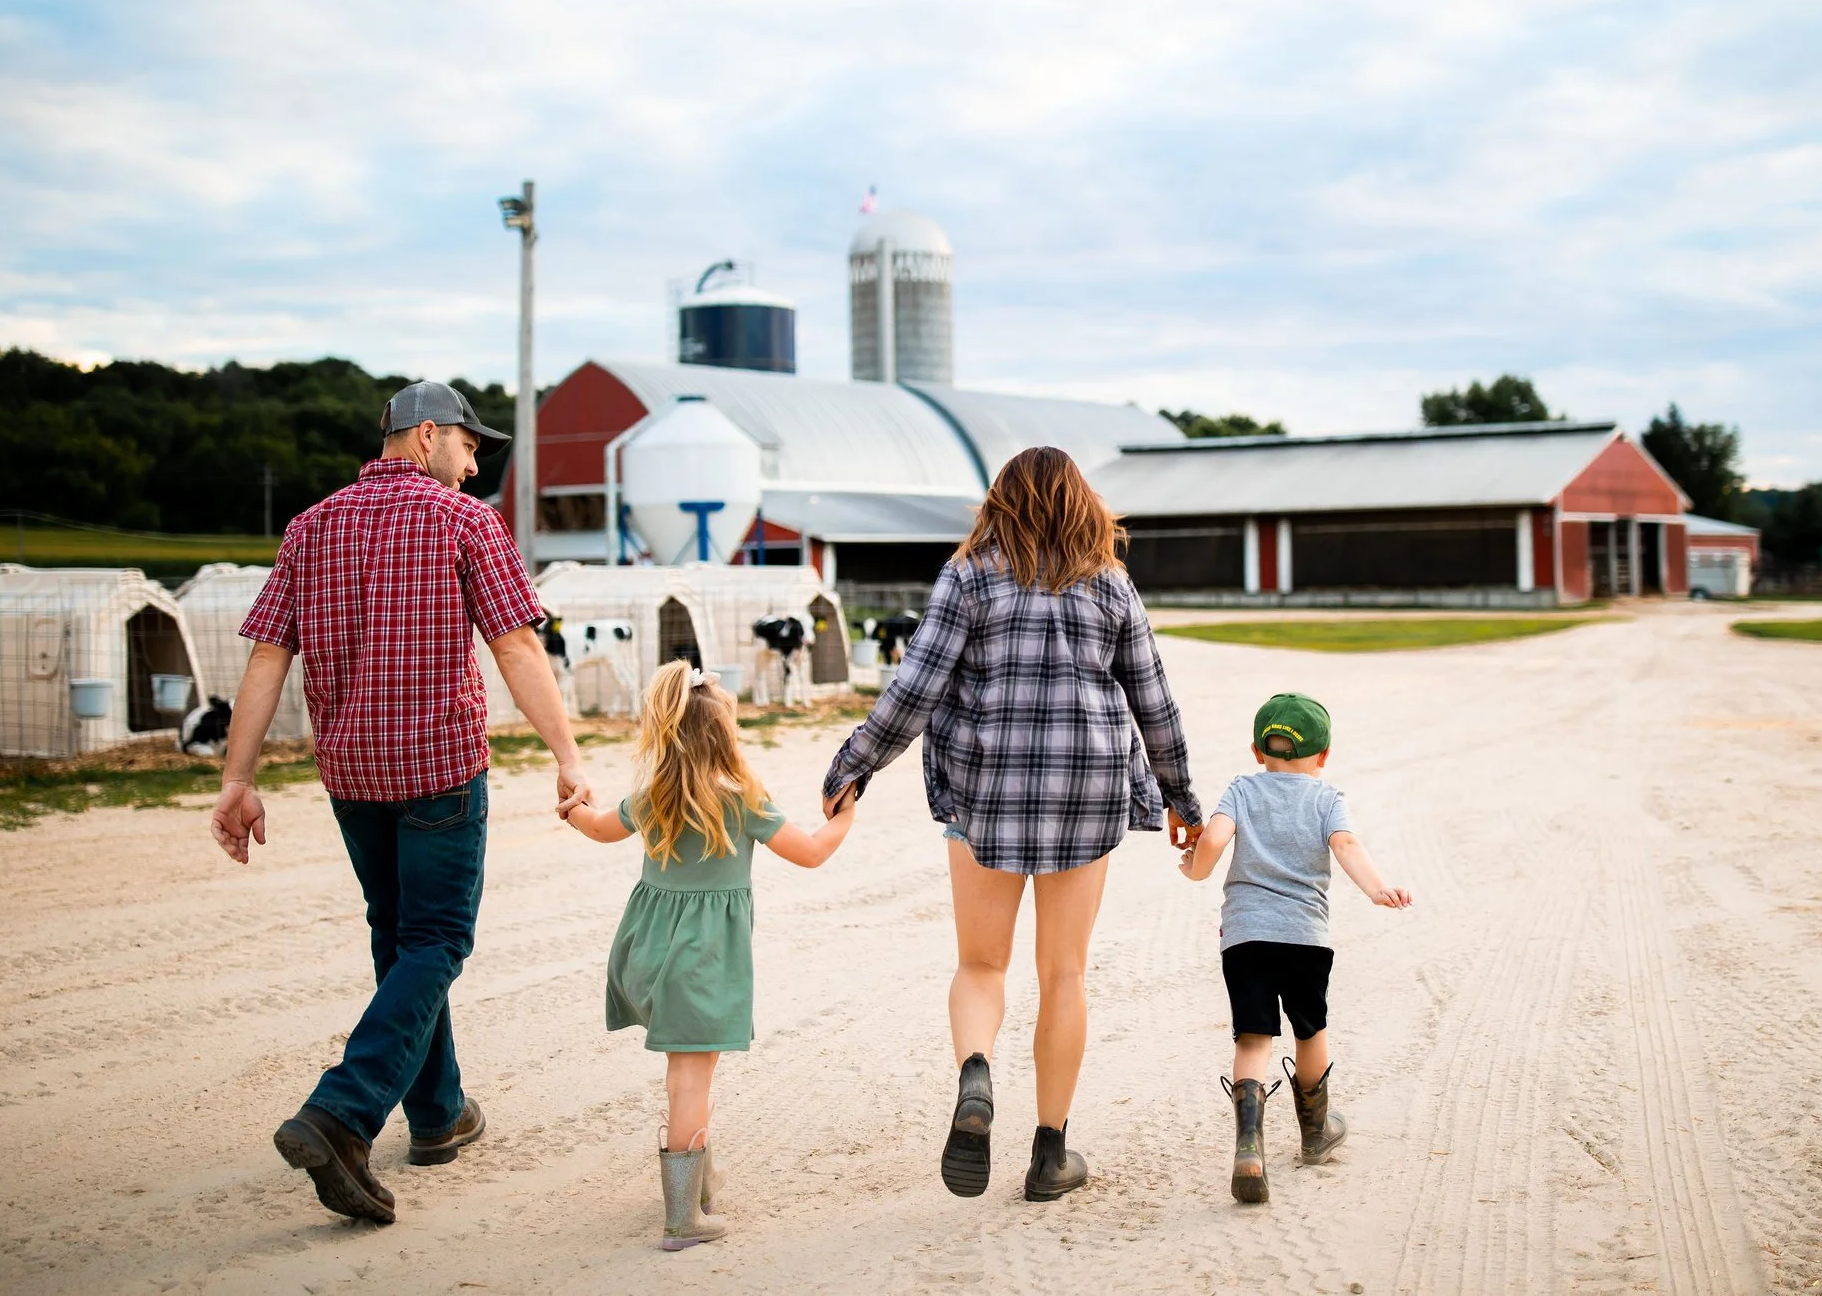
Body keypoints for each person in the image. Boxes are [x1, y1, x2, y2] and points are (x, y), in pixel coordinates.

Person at [208, 380, 594, 1226]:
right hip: (439, 772)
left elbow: (268, 660)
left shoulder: (310, 526)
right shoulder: (464, 521)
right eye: (469, 444)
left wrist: (237, 779)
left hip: (351, 777)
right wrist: (567, 755)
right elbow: (517, 644)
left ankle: (437, 1113)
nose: (475, 460)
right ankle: (343, 1111)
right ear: (426, 435)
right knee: (437, 939)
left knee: (400, 937)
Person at [820, 445, 1202, 1203]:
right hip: (1086, 795)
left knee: (982, 965)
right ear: (1082, 504)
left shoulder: (967, 577)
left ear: (998, 502)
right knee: (1064, 972)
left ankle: (976, 1073)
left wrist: (854, 763)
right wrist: (1180, 795)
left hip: (984, 792)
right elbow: (1153, 700)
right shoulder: (1111, 584)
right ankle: (1050, 1153)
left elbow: (916, 686)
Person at [563, 657, 855, 1251]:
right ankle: (681, 1221)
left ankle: (698, 1182)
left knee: (686, 1072)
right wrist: (845, 815)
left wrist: (572, 805)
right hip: (700, 962)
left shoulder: (652, 795)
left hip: (646, 951)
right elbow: (813, 853)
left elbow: (595, 826)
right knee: (690, 1078)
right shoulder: (742, 799)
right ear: (727, 736)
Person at [1178, 692, 1411, 1203]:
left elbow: (1213, 841)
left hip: (1246, 936)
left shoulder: (1242, 789)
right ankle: (1315, 1132)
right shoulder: (1328, 798)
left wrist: (1195, 869)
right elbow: (1346, 845)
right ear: (1324, 755)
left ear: (1257, 750)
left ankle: (1249, 1148)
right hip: (1306, 936)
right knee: (1310, 1030)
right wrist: (1377, 890)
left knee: (1253, 1040)